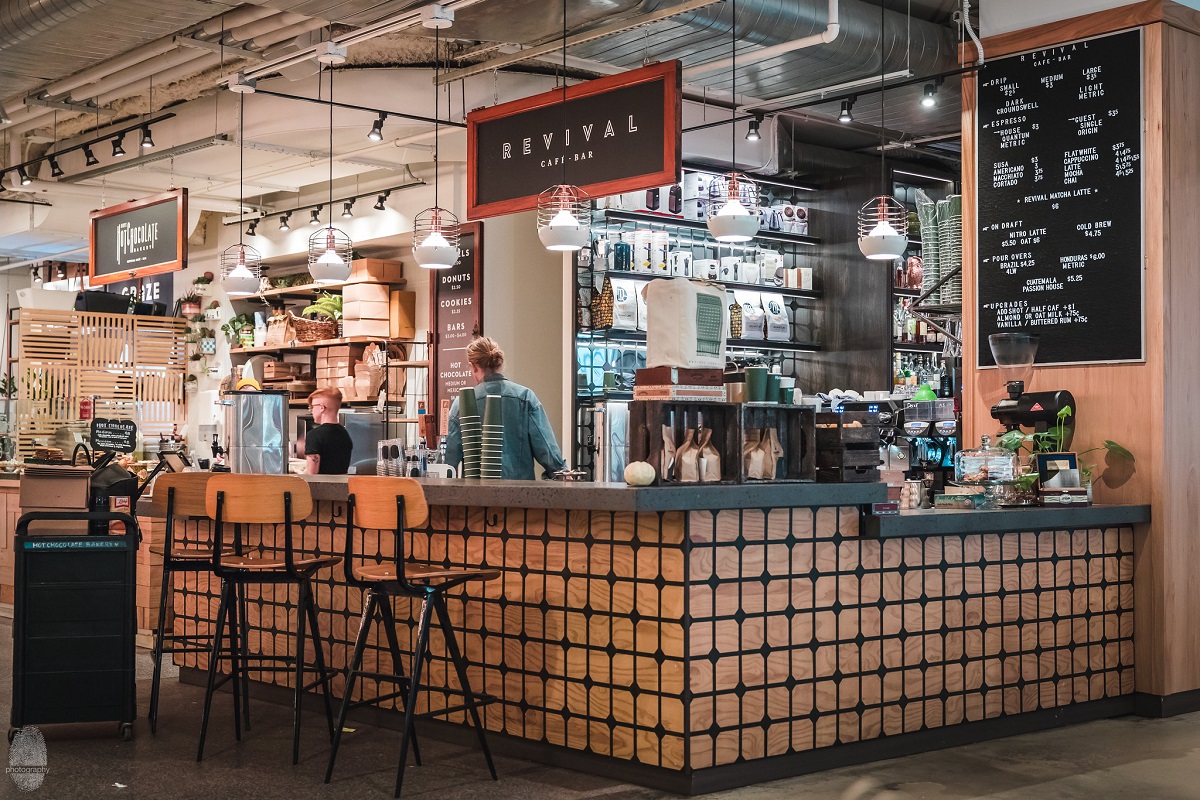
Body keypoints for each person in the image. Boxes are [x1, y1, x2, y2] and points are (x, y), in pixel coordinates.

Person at [444, 337, 567, 480]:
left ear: (474, 366)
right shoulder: (525, 397)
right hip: (520, 496)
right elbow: (548, 451)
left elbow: (448, 462)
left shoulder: (462, 404)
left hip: (477, 496)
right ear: (499, 363)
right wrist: (562, 475)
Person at [304, 388, 353, 475]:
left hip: (320, 488)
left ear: (321, 407)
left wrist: (297, 475)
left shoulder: (314, 435)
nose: (311, 411)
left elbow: (312, 473)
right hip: (341, 487)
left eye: (312, 407)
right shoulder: (344, 433)